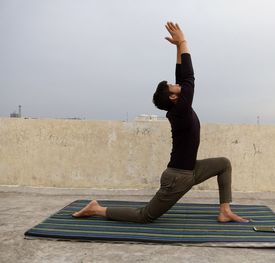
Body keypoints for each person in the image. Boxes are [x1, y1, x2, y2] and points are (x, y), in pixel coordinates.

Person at [73, 21, 249, 223]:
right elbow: (189, 77)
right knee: (145, 216)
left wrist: (177, 47)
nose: (177, 85)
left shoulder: (178, 107)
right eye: (173, 87)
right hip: (177, 178)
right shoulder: (180, 111)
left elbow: (182, 77)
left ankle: (225, 211)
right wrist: (183, 41)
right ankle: (97, 209)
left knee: (223, 164)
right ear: (174, 98)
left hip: (191, 169)